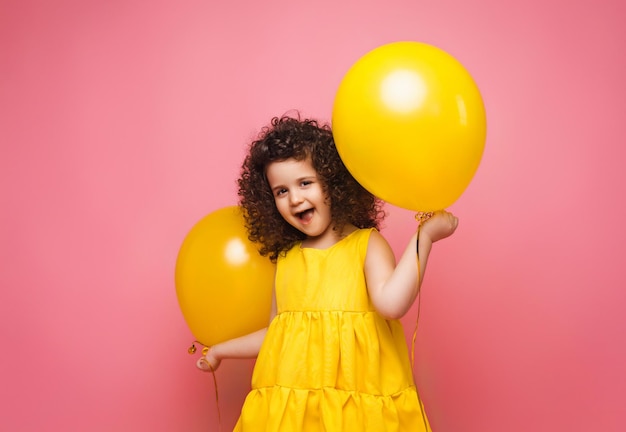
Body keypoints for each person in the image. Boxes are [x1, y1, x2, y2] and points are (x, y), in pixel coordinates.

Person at [196, 114, 458, 431]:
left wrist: (424, 237)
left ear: (334, 182)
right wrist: (221, 351)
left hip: (356, 413)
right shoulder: (287, 259)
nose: (295, 198)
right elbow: (276, 335)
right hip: (295, 416)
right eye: (281, 191)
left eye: (305, 183)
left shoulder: (367, 245)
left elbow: (391, 304)